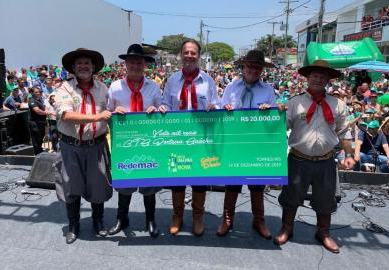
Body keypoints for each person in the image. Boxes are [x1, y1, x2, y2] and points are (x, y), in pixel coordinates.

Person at [274, 60, 355, 253]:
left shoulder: (338, 104)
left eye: (322, 76)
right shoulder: (294, 103)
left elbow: (344, 132)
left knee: (325, 199)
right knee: (291, 197)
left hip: (326, 160)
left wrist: (349, 154)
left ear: (328, 79)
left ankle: (324, 233)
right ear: (307, 78)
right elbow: (280, 130)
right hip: (298, 159)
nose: (318, 79)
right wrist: (276, 114)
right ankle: (287, 228)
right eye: (314, 75)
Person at [158, 39, 219, 236]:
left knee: (200, 179)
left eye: (193, 53)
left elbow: (216, 104)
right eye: (186, 52)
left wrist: (214, 108)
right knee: (177, 178)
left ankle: (197, 217)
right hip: (178, 138)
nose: (190, 56)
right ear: (181, 55)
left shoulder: (208, 81)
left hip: (201, 139)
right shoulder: (172, 80)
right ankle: (177, 216)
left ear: (198, 56)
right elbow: (166, 104)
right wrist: (162, 108)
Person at [54, 48, 113, 244]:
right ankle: (73, 225)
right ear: (73, 67)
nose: (83, 66)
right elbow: (66, 115)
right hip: (70, 146)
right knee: (71, 185)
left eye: (87, 63)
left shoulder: (104, 89)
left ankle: (98, 222)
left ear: (94, 67)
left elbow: (112, 113)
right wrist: (96, 116)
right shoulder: (65, 88)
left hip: (96, 146)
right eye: (79, 63)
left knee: (98, 186)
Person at [217, 50, 276, 239]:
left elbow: (274, 119)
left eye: (257, 67)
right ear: (243, 67)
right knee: (232, 184)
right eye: (250, 65)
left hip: (257, 144)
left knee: (257, 186)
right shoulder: (231, 87)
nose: (253, 70)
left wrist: (269, 110)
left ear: (262, 70)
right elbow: (220, 113)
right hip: (235, 143)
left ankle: (259, 220)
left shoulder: (268, 90)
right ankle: (227, 219)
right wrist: (224, 109)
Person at [107, 44, 162, 238]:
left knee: (149, 186)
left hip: (148, 143)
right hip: (125, 145)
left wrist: (156, 111)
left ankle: (150, 219)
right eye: (132, 62)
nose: (135, 66)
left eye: (139, 62)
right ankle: (122, 219)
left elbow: (163, 111)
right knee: (125, 185)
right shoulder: (115, 87)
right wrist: (114, 113)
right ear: (125, 64)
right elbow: (107, 114)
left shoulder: (154, 86)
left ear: (145, 64)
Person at [28, 86, 52, 154]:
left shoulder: (40, 100)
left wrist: (46, 110)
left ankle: (40, 151)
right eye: (36, 92)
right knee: (36, 140)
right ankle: (37, 154)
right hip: (35, 124)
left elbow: (44, 107)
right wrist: (48, 112)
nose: (38, 93)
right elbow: (37, 111)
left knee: (41, 138)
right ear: (32, 93)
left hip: (41, 123)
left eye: (39, 92)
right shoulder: (31, 100)